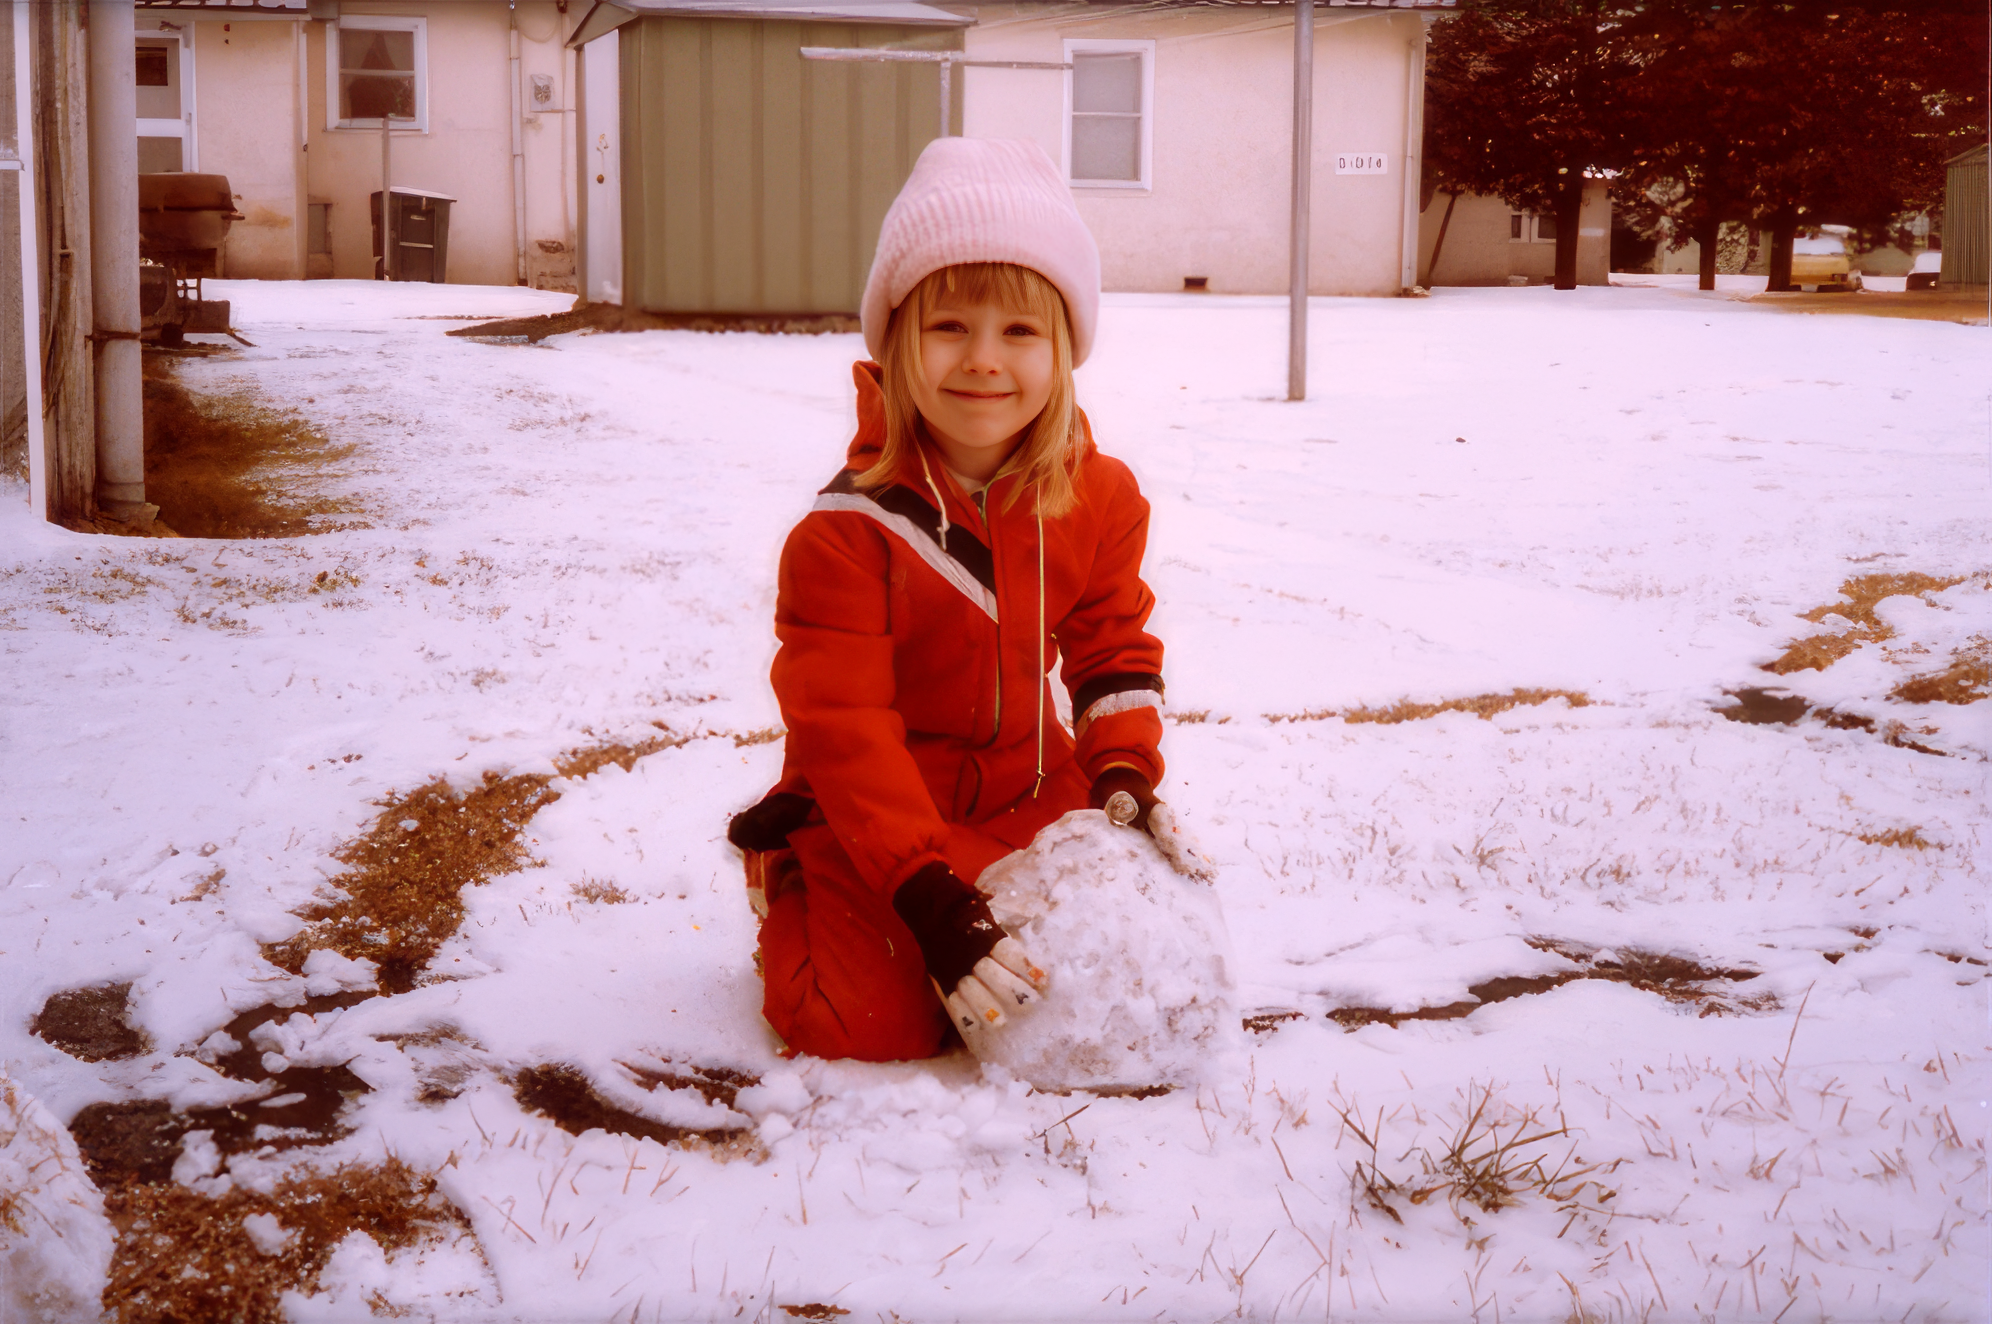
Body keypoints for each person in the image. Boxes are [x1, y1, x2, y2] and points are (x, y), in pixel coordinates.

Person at [727, 138, 1184, 1063]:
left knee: (1106, 981)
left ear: (1065, 352)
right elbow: (844, 719)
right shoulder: (847, 534)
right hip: (887, 807)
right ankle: (793, 872)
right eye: (949, 328)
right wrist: (924, 894)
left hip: (1030, 789)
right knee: (869, 1028)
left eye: (1020, 332)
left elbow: (1110, 649)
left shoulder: (1102, 497)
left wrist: (1123, 774)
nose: (983, 361)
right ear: (896, 339)